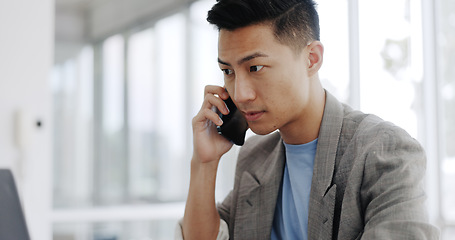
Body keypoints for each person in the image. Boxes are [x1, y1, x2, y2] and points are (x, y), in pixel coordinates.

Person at [177, 0, 440, 239]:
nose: (240, 94)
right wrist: (204, 163)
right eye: (228, 71)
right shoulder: (256, 159)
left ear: (311, 59)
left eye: (255, 68)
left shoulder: (383, 151)